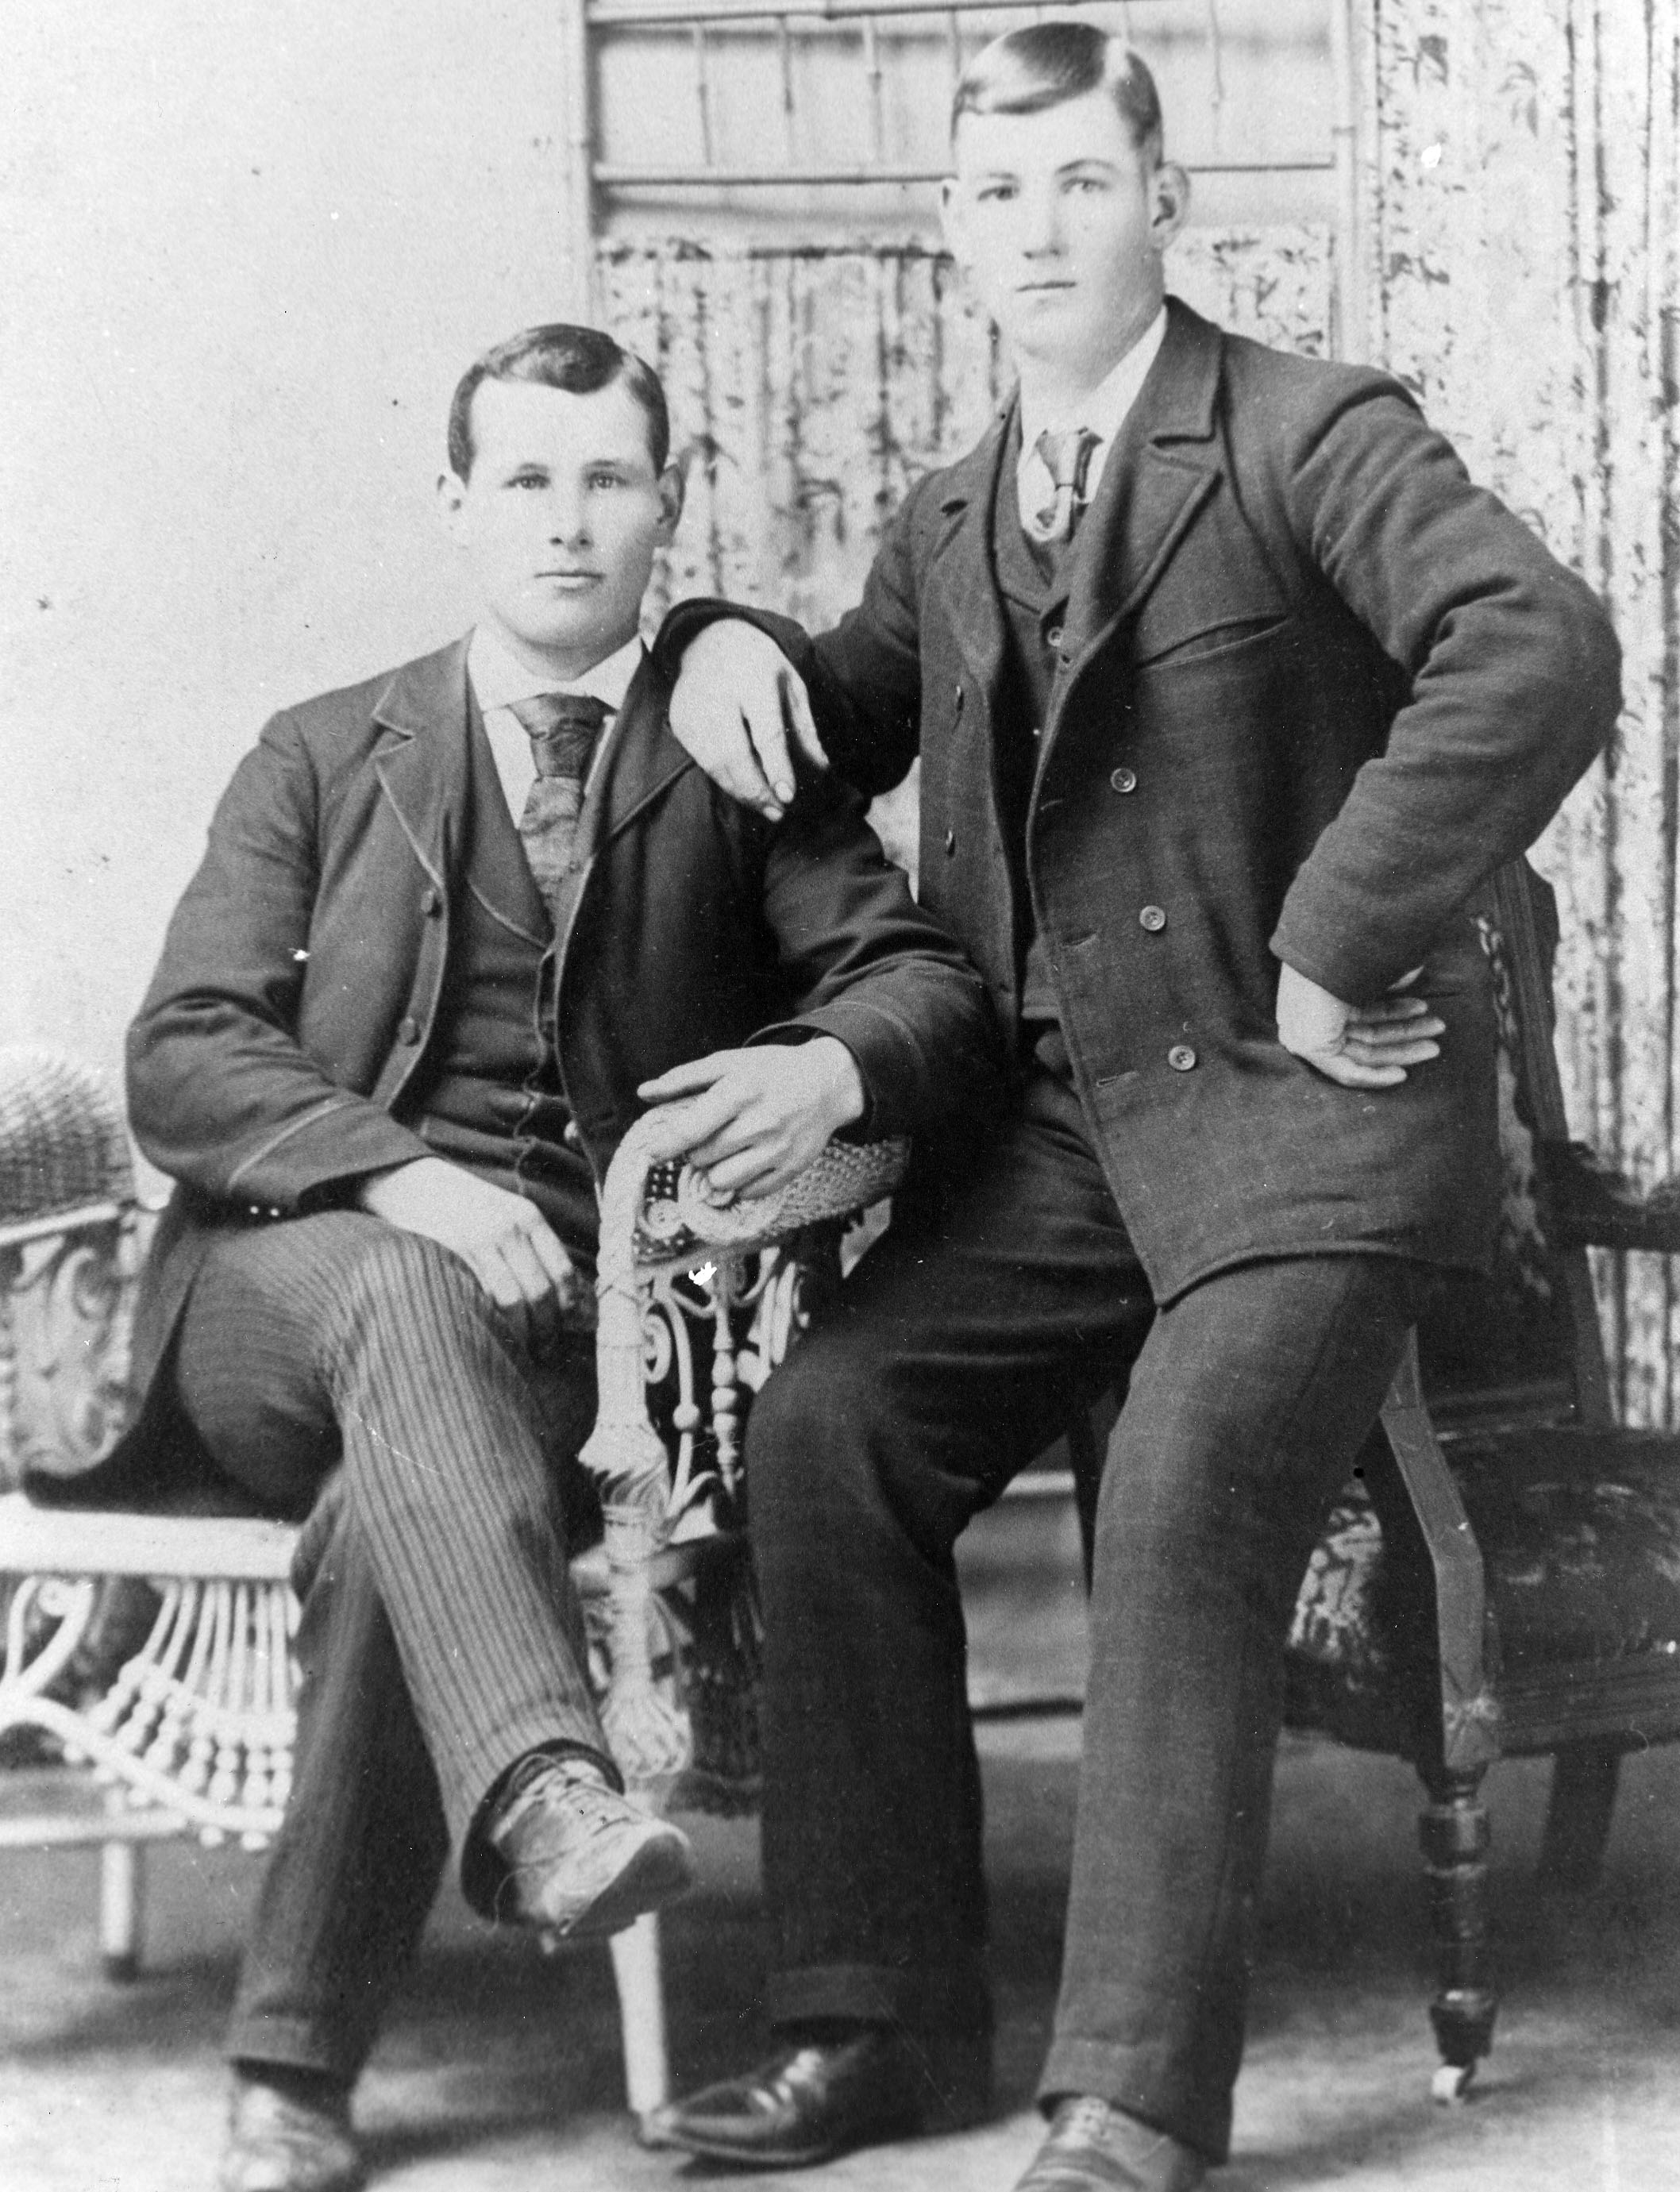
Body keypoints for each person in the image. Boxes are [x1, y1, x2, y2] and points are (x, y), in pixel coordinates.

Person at [645, 28, 1622, 2192]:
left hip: (1309, 1127)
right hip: (1069, 1143)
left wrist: (1334, 933)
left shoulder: (1303, 431)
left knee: (1179, 1488)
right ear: (948, 232)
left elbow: (1536, 643)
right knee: (830, 1428)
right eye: (998, 195)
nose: (1039, 231)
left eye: (1081, 184)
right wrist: (710, 637)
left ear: (1163, 203)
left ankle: (1126, 2105)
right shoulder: (949, 517)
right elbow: (825, 718)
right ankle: (877, 2023)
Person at [46, 322, 998, 2192]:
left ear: (665, 504)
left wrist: (823, 1061)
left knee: (391, 1511)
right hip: (276, 1295)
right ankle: (551, 1788)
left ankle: (290, 2069)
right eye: (527, 480)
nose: (567, 522)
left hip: (574, 1345)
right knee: (406, 1299)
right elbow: (186, 1050)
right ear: (458, 503)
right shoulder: (324, 751)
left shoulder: (732, 761)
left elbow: (924, 988)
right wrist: (405, 1179)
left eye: (606, 479)